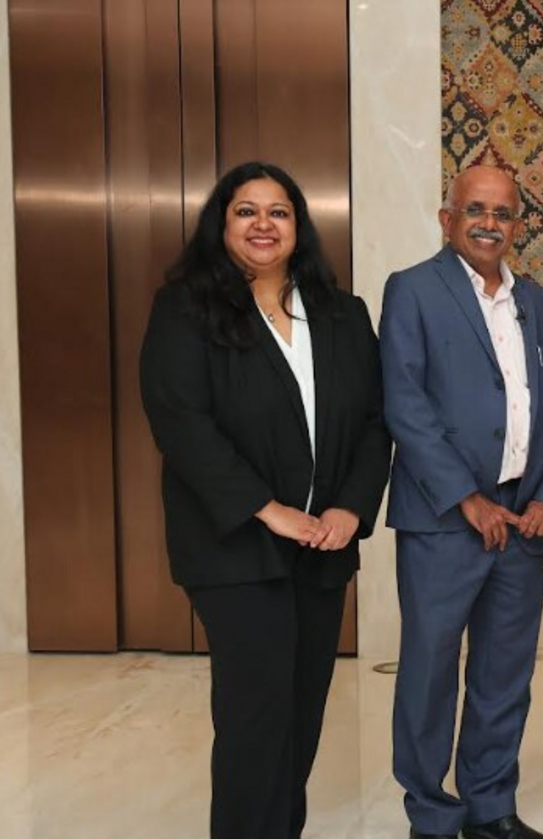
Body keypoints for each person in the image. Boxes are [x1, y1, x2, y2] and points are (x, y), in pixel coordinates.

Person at [139, 161, 392, 839]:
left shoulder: (342, 313)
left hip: (323, 544)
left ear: (298, 226)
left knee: (302, 712)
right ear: (221, 224)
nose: (262, 224)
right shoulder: (186, 307)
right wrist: (266, 507)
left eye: (277, 212)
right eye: (245, 211)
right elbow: (180, 422)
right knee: (256, 714)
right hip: (234, 545)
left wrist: (350, 508)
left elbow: (374, 420)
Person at [380, 165, 543, 839]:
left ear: (518, 224)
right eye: (475, 210)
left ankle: (490, 808)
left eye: (503, 213)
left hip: (523, 521)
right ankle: (432, 816)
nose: (489, 223)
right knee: (431, 672)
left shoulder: (541, 305)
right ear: (447, 218)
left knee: (503, 674)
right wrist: (467, 498)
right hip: (444, 519)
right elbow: (404, 405)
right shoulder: (412, 291)